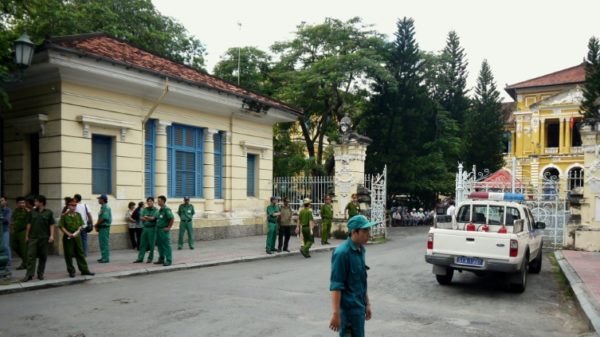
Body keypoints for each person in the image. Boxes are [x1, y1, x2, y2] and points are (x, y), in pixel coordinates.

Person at [329, 215, 376, 337]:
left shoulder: (360, 250)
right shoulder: (342, 253)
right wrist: (335, 314)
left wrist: (367, 303)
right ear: (354, 232)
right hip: (348, 313)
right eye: (365, 231)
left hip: (359, 310)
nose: (368, 234)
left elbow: (361, 281)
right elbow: (336, 286)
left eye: (368, 231)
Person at [22, 195, 55, 282]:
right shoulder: (32, 212)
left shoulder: (49, 212)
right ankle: (29, 274)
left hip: (44, 238)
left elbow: (51, 225)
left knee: (43, 257)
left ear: (41, 202)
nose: (35, 203)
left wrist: (52, 235)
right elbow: (28, 224)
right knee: (30, 256)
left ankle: (40, 274)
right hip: (33, 238)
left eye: (36, 201)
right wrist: (26, 236)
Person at [58, 198, 94, 278]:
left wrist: (78, 231)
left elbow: (81, 225)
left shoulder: (78, 215)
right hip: (68, 238)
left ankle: (84, 270)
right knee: (68, 254)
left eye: (75, 205)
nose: (73, 207)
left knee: (80, 253)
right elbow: (61, 226)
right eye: (72, 205)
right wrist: (68, 234)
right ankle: (71, 271)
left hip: (77, 237)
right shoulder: (64, 216)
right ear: (68, 206)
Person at [133, 197, 159, 263]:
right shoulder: (144, 209)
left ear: (153, 202)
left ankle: (150, 259)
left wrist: (147, 218)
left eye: (151, 201)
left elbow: (153, 218)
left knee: (151, 245)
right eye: (148, 201)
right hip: (145, 228)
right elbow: (141, 218)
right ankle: (140, 258)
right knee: (142, 244)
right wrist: (148, 218)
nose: (149, 202)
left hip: (152, 228)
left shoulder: (156, 210)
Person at [11, 197, 29, 270]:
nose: (22, 204)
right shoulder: (15, 211)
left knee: (23, 249)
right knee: (13, 246)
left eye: (23, 203)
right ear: (17, 204)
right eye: (20, 203)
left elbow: (29, 223)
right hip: (16, 231)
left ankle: (25, 263)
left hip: (23, 231)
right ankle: (26, 261)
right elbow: (12, 220)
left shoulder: (27, 211)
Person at [155, 195, 174, 266]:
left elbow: (171, 218)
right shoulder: (160, 210)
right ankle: (161, 259)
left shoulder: (166, 209)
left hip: (164, 230)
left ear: (163, 201)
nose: (158, 202)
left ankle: (169, 260)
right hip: (158, 230)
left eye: (159, 201)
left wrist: (169, 227)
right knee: (160, 245)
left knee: (166, 245)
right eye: (158, 201)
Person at [95, 194, 112, 263]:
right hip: (102, 227)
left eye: (99, 199)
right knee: (102, 243)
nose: (98, 200)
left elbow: (104, 218)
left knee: (104, 243)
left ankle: (105, 258)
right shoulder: (102, 207)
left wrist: (96, 224)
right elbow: (100, 218)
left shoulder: (106, 208)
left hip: (104, 227)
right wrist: (98, 226)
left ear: (102, 200)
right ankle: (103, 256)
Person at [0, 196, 12, 266]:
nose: (1, 202)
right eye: (0, 201)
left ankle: (8, 260)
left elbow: (6, 219)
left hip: (4, 230)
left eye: (2, 200)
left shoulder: (8, 210)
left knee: (5, 246)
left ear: (5, 201)